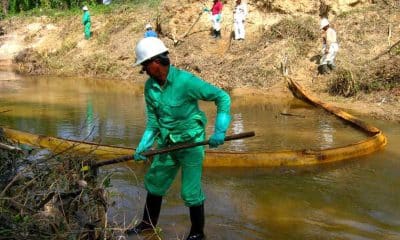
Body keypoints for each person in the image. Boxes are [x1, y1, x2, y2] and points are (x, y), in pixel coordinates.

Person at [126, 37, 231, 240]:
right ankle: (147, 226)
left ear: (156, 62)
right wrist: (143, 145)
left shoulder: (186, 82)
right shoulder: (150, 88)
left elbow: (222, 97)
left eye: (145, 66)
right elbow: (154, 122)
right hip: (167, 143)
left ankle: (197, 233)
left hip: (191, 143)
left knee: (190, 192)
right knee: (155, 182)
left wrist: (220, 131)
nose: (144, 70)